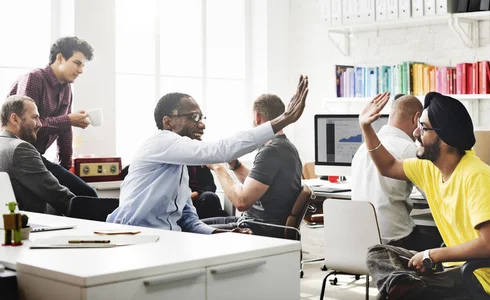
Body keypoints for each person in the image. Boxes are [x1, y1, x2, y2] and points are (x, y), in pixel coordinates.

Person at [360, 92, 490, 299]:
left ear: (445, 137)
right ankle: (410, 289)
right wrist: (366, 127)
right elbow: (388, 166)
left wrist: (432, 255)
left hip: (484, 282)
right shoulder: (430, 168)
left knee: (392, 293)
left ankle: (411, 291)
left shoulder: (476, 176)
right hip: (457, 270)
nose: (415, 132)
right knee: (379, 253)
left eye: (424, 127)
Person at [106, 76, 309, 235]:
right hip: (134, 235)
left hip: (167, 238)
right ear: (168, 122)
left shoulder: (178, 166)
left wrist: (221, 234)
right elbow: (218, 151)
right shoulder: (160, 143)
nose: (201, 124)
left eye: (201, 117)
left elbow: (188, 219)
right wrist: (284, 119)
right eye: (193, 117)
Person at [201, 94, 303, 238]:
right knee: (196, 223)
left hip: (259, 228)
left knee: (189, 229)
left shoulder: (271, 151)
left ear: (257, 117)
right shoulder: (284, 147)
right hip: (258, 223)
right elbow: (257, 184)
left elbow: (241, 202)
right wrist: (234, 164)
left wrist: (218, 167)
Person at [7, 36, 97, 198]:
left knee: (86, 194)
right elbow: (25, 126)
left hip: (36, 157)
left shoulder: (67, 88)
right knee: (79, 196)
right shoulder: (34, 79)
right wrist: (68, 120)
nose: (81, 70)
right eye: (77, 63)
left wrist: (65, 167)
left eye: (83, 65)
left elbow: (65, 131)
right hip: (16, 157)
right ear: (60, 58)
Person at [352, 94, 440, 251]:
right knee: (439, 238)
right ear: (417, 118)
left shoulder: (363, 147)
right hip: (395, 242)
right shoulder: (408, 148)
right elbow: (435, 194)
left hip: (360, 240)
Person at [0, 95, 73, 215]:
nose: (39, 124)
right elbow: (56, 194)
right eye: (35, 117)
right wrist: (96, 213)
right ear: (15, 119)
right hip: (29, 225)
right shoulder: (21, 149)